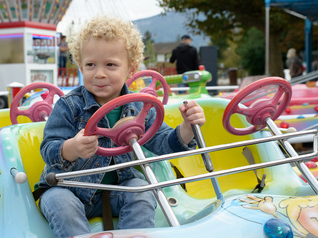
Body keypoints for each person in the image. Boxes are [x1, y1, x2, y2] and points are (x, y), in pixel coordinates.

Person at [37, 16, 206, 238]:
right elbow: (49, 148)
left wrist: (187, 126)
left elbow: (164, 143)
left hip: (120, 190)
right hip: (69, 189)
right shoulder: (69, 106)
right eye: (90, 65)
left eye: (110, 65)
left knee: (143, 191)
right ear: (80, 65)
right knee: (57, 201)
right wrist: (72, 148)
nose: (99, 73)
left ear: (131, 69)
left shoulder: (140, 107)